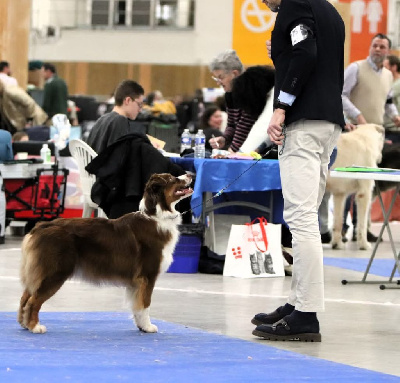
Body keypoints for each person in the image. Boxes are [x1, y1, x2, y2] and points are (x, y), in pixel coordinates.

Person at [252, 0, 345, 342]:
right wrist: (280, 52)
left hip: (304, 123)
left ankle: (306, 315)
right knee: (305, 216)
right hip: (328, 124)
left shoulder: (293, 5)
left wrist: (280, 107)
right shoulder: (330, 11)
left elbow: (305, 54)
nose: (265, 4)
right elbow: (312, 55)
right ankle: (296, 303)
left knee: (301, 218)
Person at [341, 34, 400, 242]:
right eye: (374, 45)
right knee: (347, 181)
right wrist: (358, 115)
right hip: (355, 135)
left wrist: (395, 116)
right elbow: (342, 95)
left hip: (376, 137)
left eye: (381, 46)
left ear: (387, 52)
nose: (377, 48)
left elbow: (388, 100)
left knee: (367, 183)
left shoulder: (387, 76)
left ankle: (362, 227)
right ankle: (343, 227)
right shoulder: (355, 68)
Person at [208, 50, 257, 152]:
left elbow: (245, 126)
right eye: (216, 78)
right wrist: (225, 139)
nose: (218, 83)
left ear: (234, 74)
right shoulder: (229, 95)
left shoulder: (252, 90)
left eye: (221, 77)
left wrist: (232, 151)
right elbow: (232, 125)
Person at [87, 80, 146, 154]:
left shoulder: (102, 119)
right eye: (139, 104)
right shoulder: (120, 121)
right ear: (127, 100)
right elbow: (120, 158)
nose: (140, 110)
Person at [383, 55, 400, 143]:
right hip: (386, 128)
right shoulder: (390, 82)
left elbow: (382, 96)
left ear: (394, 67)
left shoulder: (397, 84)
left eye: (385, 66)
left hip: (394, 130)